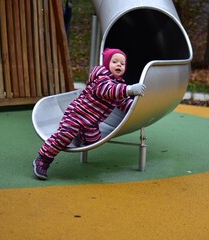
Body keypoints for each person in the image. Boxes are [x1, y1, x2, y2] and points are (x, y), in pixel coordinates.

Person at [33, 48, 146, 180]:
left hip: (92, 122)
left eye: (122, 63)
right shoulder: (101, 78)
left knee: (93, 141)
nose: (119, 65)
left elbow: (123, 102)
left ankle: (81, 134)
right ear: (106, 63)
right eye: (114, 61)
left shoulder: (119, 85)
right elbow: (107, 91)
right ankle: (43, 159)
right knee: (64, 136)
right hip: (77, 114)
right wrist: (130, 89)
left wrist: (138, 109)